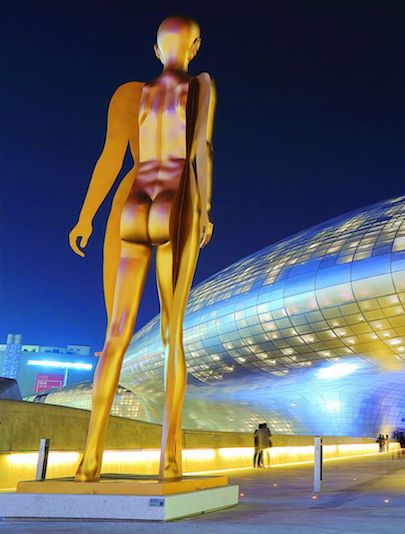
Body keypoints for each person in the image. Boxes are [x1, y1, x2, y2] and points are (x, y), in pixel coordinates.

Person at [70, 15, 216, 482]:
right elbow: (201, 149)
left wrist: (87, 216)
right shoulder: (200, 85)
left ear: (155, 50)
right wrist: (205, 209)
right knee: (172, 331)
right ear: (195, 46)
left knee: (115, 334)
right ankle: (169, 460)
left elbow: (111, 157)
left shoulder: (129, 94)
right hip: (177, 195)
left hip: (132, 201)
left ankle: (90, 459)